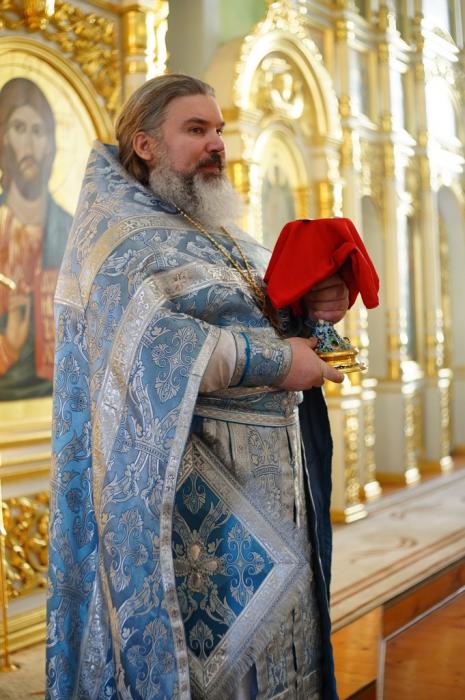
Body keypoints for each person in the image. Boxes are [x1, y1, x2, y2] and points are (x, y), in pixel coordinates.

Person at [46, 74, 349, 700]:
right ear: (146, 144)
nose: (217, 143)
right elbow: (153, 353)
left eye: (219, 130)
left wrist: (320, 313)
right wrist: (277, 361)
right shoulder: (118, 241)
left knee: (283, 650)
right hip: (192, 507)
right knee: (217, 666)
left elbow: (283, 325)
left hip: (277, 496)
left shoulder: (225, 233)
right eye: (196, 129)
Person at [0, 78, 72, 401]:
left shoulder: (73, 232)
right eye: (19, 128)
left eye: (38, 131)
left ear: (50, 144)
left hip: (61, 399)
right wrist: (9, 345)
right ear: (4, 138)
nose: (29, 145)